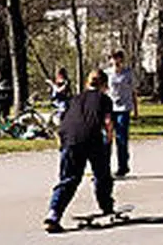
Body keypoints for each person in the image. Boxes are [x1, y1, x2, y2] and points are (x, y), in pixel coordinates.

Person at [44, 70, 115, 233]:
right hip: (92, 137)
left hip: (69, 137)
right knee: (102, 175)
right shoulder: (104, 99)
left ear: (86, 83)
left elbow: (64, 119)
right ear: (104, 85)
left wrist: (63, 142)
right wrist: (109, 140)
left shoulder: (74, 99)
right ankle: (106, 206)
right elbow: (108, 122)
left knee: (68, 179)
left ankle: (53, 214)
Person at [107, 50, 139, 178]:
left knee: (121, 138)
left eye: (117, 58)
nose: (115, 61)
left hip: (123, 109)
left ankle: (123, 166)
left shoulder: (128, 74)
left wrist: (136, 110)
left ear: (122, 60)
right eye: (113, 58)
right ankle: (104, 167)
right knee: (106, 139)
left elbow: (133, 92)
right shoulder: (107, 73)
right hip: (110, 108)